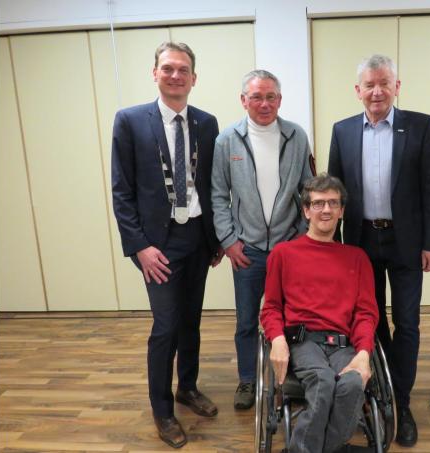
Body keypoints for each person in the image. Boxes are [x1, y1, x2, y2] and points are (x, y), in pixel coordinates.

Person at [111, 41, 224, 449]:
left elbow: (211, 185)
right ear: (154, 73)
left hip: (197, 236)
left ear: (194, 78)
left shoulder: (207, 123)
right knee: (166, 326)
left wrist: (216, 238)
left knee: (191, 319)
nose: (176, 76)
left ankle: (187, 387)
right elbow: (121, 192)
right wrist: (139, 247)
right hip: (158, 244)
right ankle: (162, 408)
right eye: (168, 68)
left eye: (183, 70)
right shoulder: (130, 121)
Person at [327, 54, 430, 447]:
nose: (377, 91)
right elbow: (335, 195)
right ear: (357, 91)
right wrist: (334, 248)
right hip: (361, 242)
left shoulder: (421, 126)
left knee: (407, 323)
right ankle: (380, 389)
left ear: (397, 86)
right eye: (369, 85)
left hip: (407, 241)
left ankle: (403, 402)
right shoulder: (342, 131)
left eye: (384, 83)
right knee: (371, 321)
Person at [211, 69, 315, 410]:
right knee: (246, 320)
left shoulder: (296, 136)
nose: (264, 103)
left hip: (288, 249)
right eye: (256, 96)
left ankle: (290, 379)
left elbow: (308, 190)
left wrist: (301, 238)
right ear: (243, 100)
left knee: (291, 319)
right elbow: (217, 195)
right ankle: (247, 380)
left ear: (280, 100)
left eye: (271, 96)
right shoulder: (227, 140)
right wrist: (229, 240)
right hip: (248, 251)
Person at [260, 173, 379, 453]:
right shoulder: (283, 254)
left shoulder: (357, 258)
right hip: (304, 342)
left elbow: (365, 313)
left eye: (333, 203)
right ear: (306, 210)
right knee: (323, 382)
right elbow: (272, 308)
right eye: (318, 203)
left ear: (341, 211)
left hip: (343, 344)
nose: (326, 209)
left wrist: (363, 354)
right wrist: (277, 339)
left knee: (352, 384)